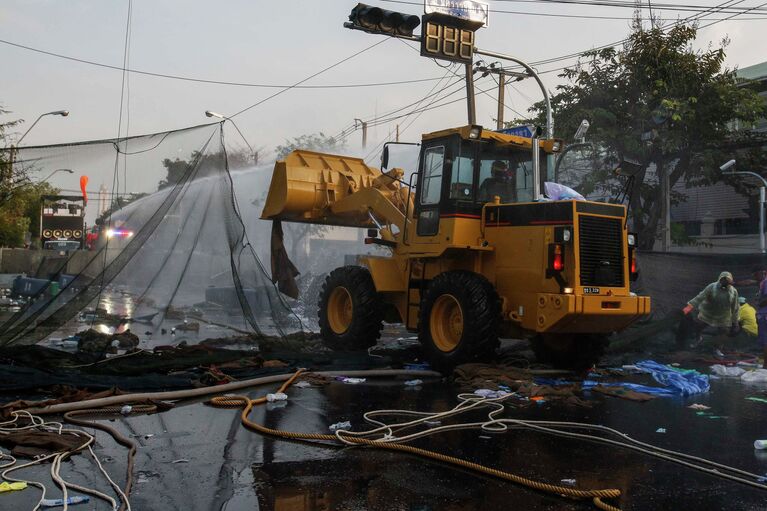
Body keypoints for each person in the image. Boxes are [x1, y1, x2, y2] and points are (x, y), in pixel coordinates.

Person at [683, 271, 740, 354]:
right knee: (698, 326)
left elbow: (735, 308)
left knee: (724, 331)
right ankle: (698, 338)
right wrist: (688, 308)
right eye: (723, 279)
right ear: (720, 279)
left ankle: (718, 348)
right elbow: (700, 297)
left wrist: (736, 322)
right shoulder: (712, 287)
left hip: (723, 315)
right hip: (708, 313)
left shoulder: (733, 291)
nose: (724, 282)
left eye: (727, 280)